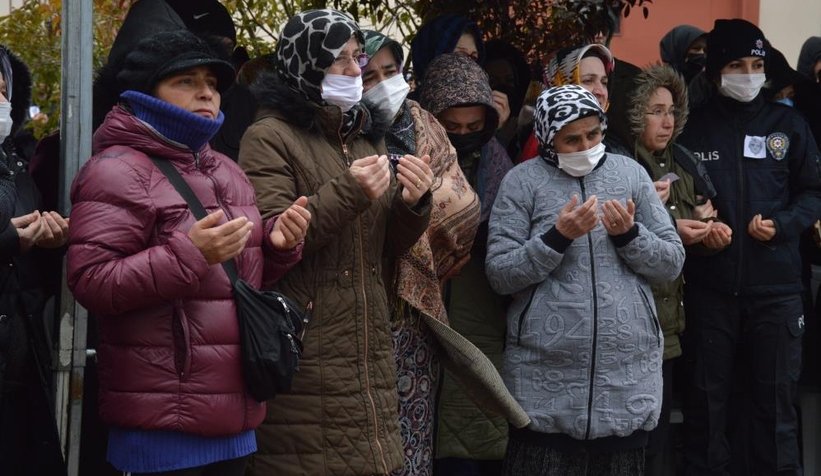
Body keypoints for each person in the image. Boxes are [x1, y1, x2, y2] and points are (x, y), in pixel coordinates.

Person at [67, 29, 310, 476]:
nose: (206, 92)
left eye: (213, 83)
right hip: (160, 430)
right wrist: (190, 255)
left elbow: (231, 287)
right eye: (186, 80)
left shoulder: (229, 170)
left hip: (235, 420)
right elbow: (92, 281)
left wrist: (277, 246)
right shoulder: (115, 170)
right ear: (146, 92)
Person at [237, 10, 433, 475]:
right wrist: (349, 192)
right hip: (309, 350)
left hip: (368, 350)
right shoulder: (268, 137)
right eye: (338, 61)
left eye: (355, 58)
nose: (354, 71)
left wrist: (412, 203)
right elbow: (271, 241)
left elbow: (385, 245)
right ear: (304, 67)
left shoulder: (366, 137)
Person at [486, 84, 684, 475]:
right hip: (544, 390)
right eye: (571, 139)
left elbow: (671, 261)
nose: (585, 146)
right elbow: (501, 273)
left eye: (593, 134)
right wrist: (556, 238)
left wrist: (629, 236)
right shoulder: (522, 182)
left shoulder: (631, 174)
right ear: (547, 139)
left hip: (625, 387)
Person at [677, 19, 821, 476]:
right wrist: (700, 224)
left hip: (776, 293)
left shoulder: (789, 124)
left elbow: (813, 191)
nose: (748, 74)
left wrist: (782, 225)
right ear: (716, 70)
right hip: (710, 291)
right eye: (737, 64)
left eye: (756, 64)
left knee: (776, 415)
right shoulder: (692, 128)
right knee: (705, 412)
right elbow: (672, 193)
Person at [361, 30, 482, 476]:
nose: (383, 83)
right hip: (364, 310)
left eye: (391, 72)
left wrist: (428, 199)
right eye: (368, 75)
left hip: (417, 315)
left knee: (413, 436)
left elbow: (459, 195)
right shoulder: (344, 130)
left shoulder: (423, 121)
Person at [416, 52, 514, 475]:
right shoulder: (409, 160)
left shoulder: (501, 170)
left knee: (470, 445)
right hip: (419, 317)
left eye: (474, 129)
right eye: (450, 128)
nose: (462, 137)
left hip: (480, 322)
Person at [625, 64, 720, 475]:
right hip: (635, 321)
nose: (667, 122)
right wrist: (672, 231)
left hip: (673, 321)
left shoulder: (682, 161)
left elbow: (701, 210)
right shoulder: (623, 163)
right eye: (655, 111)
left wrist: (713, 229)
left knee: (659, 437)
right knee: (636, 439)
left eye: (672, 111)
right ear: (633, 115)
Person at [0, 44, 66, 476]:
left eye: (3, 90)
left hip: (17, 366)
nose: (0, 102)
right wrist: (8, 241)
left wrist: (52, 239)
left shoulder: (15, 164)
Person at [518, 43, 629, 161]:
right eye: (588, 80)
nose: (600, 91)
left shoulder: (615, 139)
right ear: (560, 83)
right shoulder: (541, 147)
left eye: (604, 82)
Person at [410, 14, 511, 129]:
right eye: (460, 55)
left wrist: (489, 128)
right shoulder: (404, 117)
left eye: (473, 58)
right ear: (433, 55)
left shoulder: (481, 109)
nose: (468, 65)